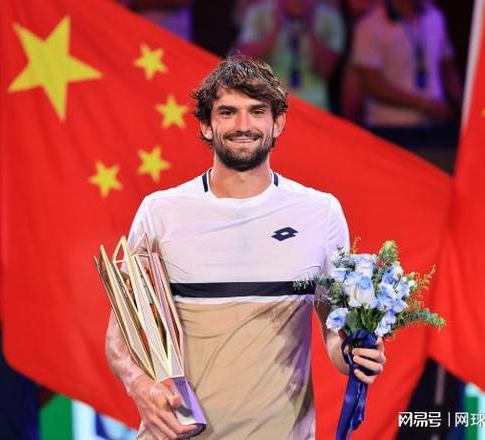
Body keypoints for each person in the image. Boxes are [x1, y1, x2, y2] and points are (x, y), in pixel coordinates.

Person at [105, 55, 386, 439]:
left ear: (277, 123)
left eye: (257, 111)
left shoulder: (320, 213)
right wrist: (139, 386)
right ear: (206, 125)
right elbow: (119, 336)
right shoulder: (160, 212)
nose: (243, 125)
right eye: (228, 112)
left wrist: (356, 353)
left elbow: (334, 330)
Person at [351, 0, 462, 128]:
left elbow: (448, 69)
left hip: (434, 125)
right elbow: (372, 84)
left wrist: (464, 108)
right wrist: (425, 105)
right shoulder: (369, 25)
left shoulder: (435, 16)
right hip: (390, 126)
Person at [236, 0, 345, 110]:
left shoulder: (330, 18)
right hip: (266, 99)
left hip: (312, 103)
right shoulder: (259, 13)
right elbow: (246, 64)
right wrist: (276, 27)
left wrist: (310, 28)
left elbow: (326, 70)